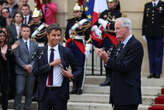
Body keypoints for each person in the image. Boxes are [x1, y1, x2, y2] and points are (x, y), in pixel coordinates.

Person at [96, 17, 143, 110]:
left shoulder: (135, 45)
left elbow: (125, 67)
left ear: (126, 29)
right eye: (115, 29)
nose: (115, 31)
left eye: (117, 28)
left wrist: (107, 60)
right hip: (117, 97)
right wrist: (105, 59)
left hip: (128, 97)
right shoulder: (119, 45)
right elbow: (113, 66)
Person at [33, 24, 82, 110]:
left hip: (60, 93)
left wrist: (72, 75)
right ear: (47, 36)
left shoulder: (66, 51)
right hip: (44, 93)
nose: (56, 38)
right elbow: (35, 71)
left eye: (58, 35)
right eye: (53, 35)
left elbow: (78, 68)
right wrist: (51, 64)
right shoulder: (40, 51)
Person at [92, 0, 121, 86]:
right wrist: (95, 28)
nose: (109, 4)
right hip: (105, 39)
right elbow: (96, 23)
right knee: (106, 59)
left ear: (116, 3)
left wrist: (105, 23)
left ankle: (113, 78)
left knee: (113, 58)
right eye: (108, 2)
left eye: (111, 2)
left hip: (113, 39)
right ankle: (108, 78)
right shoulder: (104, 12)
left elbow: (114, 26)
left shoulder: (118, 13)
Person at [65, 2, 91, 94]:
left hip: (80, 44)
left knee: (80, 66)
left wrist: (88, 48)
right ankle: (74, 87)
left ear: (81, 12)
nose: (77, 13)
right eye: (75, 12)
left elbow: (88, 36)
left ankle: (80, 87)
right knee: (73, 66)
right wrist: (65, 45)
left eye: (78, 12)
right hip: (71, 45)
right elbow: (66, 36)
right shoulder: (70, 21)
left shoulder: (86, 21)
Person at [13, 24, 38, 110]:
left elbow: (36, 57)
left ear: (30, 32)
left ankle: (27, 108)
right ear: (21, 32)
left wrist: (31, 65)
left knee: (29, 92)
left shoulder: (34, 44)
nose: (26, 33)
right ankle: (17, 107)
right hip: (20, 71)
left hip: (31, 71)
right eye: (24, 31)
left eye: (27, 31)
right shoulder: (17, 43)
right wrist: (24, 66)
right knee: (19, 91)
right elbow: (17, 57)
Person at [142, 0, 164, 78]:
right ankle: (152, 72)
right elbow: (144, 20)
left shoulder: (162, 4)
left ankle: (157, 72)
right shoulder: (147, 5)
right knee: (151, 53)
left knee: (158, 53)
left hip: (160, 33)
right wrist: (143, 33)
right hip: (149, 33)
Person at [0, 29, 18, 110]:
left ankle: (5, 108)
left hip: (5, 72)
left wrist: (9, 53)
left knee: (5, 92)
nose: (2, 37)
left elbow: (12, 60)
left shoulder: (8, 46)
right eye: (0, 36)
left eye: (3, 36)